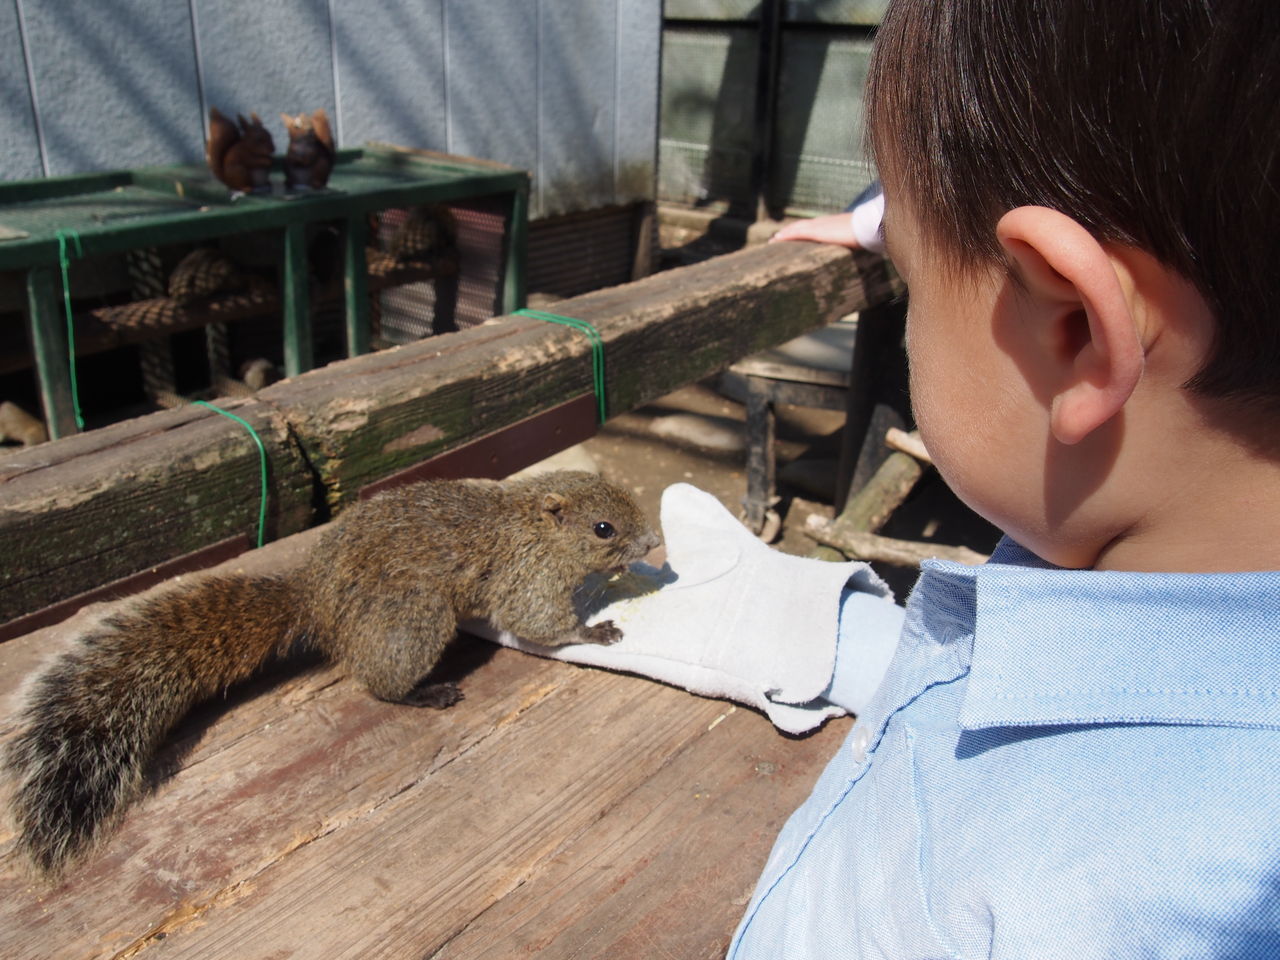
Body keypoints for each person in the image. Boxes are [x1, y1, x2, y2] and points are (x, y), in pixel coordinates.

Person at [492, 0, 1280, 954]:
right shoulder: (1120, 555)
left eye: (903, 276)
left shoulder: (1115, 916)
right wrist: (834, 638)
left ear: (1074, 333)